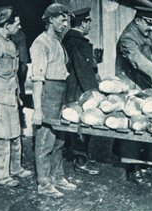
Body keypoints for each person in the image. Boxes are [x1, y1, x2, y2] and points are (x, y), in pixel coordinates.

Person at [0, 7, 33, 187]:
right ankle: (1, 175)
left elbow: (14, 74)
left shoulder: (10, 43)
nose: (20, 26)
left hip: (11, 97)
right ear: (6, 25)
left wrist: (18, 96)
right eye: (17, 23)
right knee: (1, 138)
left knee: (15, 135)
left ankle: (15, 168)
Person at [113, 6, 152, 186]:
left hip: (149, 85)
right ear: (138, 21)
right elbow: (137, 59)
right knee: (134, 126)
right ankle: (133, 169)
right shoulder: (128, 37)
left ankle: (147, 164)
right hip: (132, 87)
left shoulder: (150, 32)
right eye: (149, 23)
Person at [30, 3, 77, 198]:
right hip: (48, 91)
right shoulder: (41, 43)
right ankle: (44, 183)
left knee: (59, 139)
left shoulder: (57, 41)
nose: (65, 23)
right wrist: (38, 109)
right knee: (45, 140)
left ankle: (57, 176)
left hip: (59, 91)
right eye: (62, 19)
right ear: (50, 19)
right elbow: (38, 79)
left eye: (67, 19)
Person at [62, 7, 100, 175]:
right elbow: (83, 70)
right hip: (79, 89)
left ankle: (77, 154)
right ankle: (81, 160)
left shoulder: (69, 40)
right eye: (89, 21)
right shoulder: (78, 42)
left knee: (75, 122)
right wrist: (94, 93)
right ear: (84, 23)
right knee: (83, 123)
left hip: (71, 87)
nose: (90, 24)